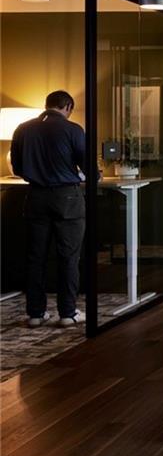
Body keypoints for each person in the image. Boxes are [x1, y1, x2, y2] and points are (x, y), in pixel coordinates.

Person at [11, 90, 87, 327]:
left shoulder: (23, 129)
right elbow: (86, 165)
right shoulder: (73, 129)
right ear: (68, 107)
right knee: (68, 257)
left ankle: (36, 313)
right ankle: (67, 313)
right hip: (67, 198)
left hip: (35, 197)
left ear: (47, 105)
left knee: (36, 258)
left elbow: (17, 168)